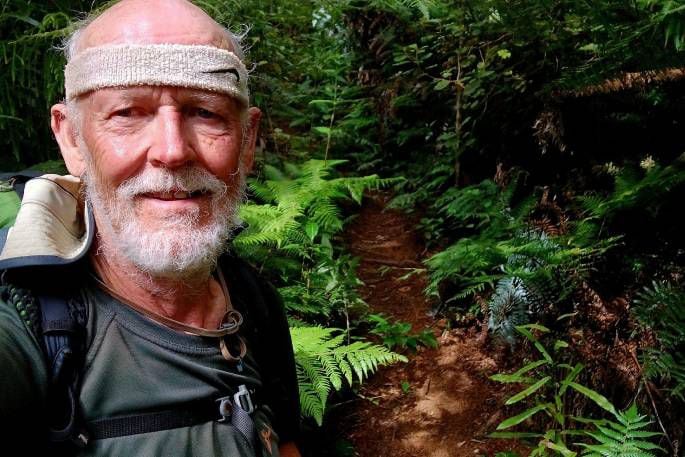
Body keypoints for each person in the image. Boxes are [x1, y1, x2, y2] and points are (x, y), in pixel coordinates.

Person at [0, 0, 301, 455]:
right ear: (71, 138)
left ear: (247, 141)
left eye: (206, 112)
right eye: (127, 113)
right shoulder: (27, 326)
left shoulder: (252, 299)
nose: (172, 150)